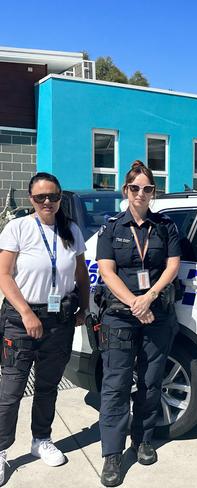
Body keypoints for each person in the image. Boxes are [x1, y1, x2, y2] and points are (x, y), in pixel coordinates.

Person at [0, 173, 89, 486]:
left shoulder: (71, 230)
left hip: (59, 319)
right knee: (11, 391)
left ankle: (41, 440)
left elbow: (81, 273)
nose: (47, 202)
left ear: (60, 197)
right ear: (31, 200)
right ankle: (1, 451)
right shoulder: (18, 228)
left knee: (48, 386)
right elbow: (5, 276)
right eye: (41, 198)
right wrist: (26, 313)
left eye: (53, 196)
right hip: (22, 319)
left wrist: (84, 307)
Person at [96, 160, 181, 487]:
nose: (141, 194)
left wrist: (150, 297)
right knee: (116, 385)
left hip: (156, 313)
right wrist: (135, 302)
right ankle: (112, 454)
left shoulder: (165, 227)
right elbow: (107, 271)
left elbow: (173, 264)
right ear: (125, 191)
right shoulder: (112, 227)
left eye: (147, 189)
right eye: (135, 188)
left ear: (153, 192)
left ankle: (143, 439)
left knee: (150, 379)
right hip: (120, 315)